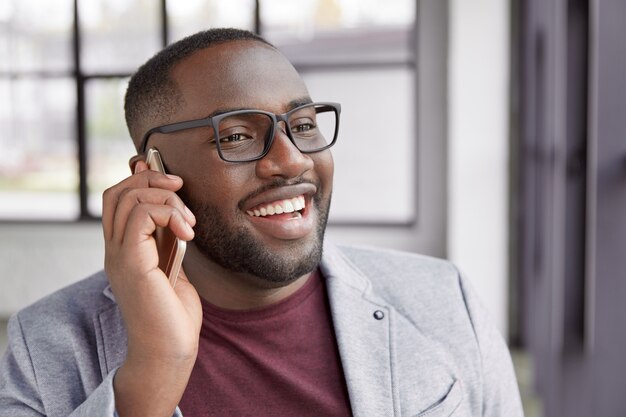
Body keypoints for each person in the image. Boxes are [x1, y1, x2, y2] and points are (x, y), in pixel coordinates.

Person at [0, 28, 523, 417]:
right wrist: (156, 370)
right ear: (153, 175)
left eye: (302, 125)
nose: (292, 160)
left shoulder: (444, 299)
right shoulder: (45, 342)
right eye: (236, 137)